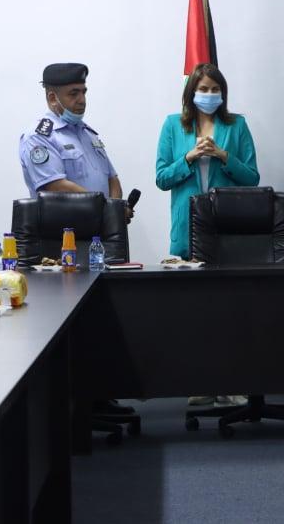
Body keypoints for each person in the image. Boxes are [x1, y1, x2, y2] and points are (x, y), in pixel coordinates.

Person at [155, 62, 259, 408]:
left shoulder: (236, 125)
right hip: (187, 229)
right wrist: (189, 157)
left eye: (216, 89)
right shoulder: (173, 125)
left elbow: (252, 178)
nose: (210, 95)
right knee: (195, 312)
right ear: (192, 93)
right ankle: (200, 383)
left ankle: (233, 383)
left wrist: (223, 155)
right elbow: (161, 178)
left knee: (231, 312)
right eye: (204, 89)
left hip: (228, 229)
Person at [19, 63, 134, 222]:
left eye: (83, 92)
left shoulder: (88, 134)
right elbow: (56, 187)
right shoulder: (39, 136)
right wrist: (107, 210)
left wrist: (114, 211)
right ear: (53, 98)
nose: (82, 100)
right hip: (64, 231)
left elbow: (112, 179)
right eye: (73, 94)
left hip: (100, 228)